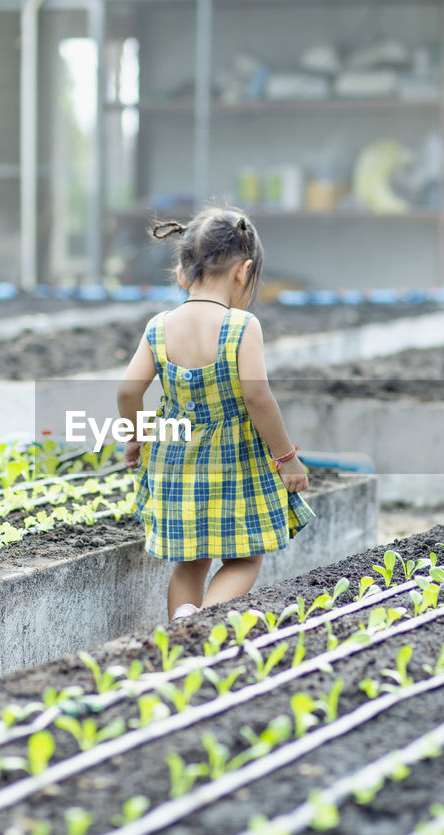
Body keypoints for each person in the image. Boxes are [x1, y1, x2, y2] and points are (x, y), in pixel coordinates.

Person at [117, 206, 315, 620]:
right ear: (244, 272)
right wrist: (285, 457)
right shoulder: (242, 327)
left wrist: (136, 436)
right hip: (234, 463)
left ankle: (180, 629)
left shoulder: (159, 328)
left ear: (183, 273)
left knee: (189, 561)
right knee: (245, 559)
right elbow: (258, 400)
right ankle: (206, 625)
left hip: (174, 461)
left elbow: (127, 390)